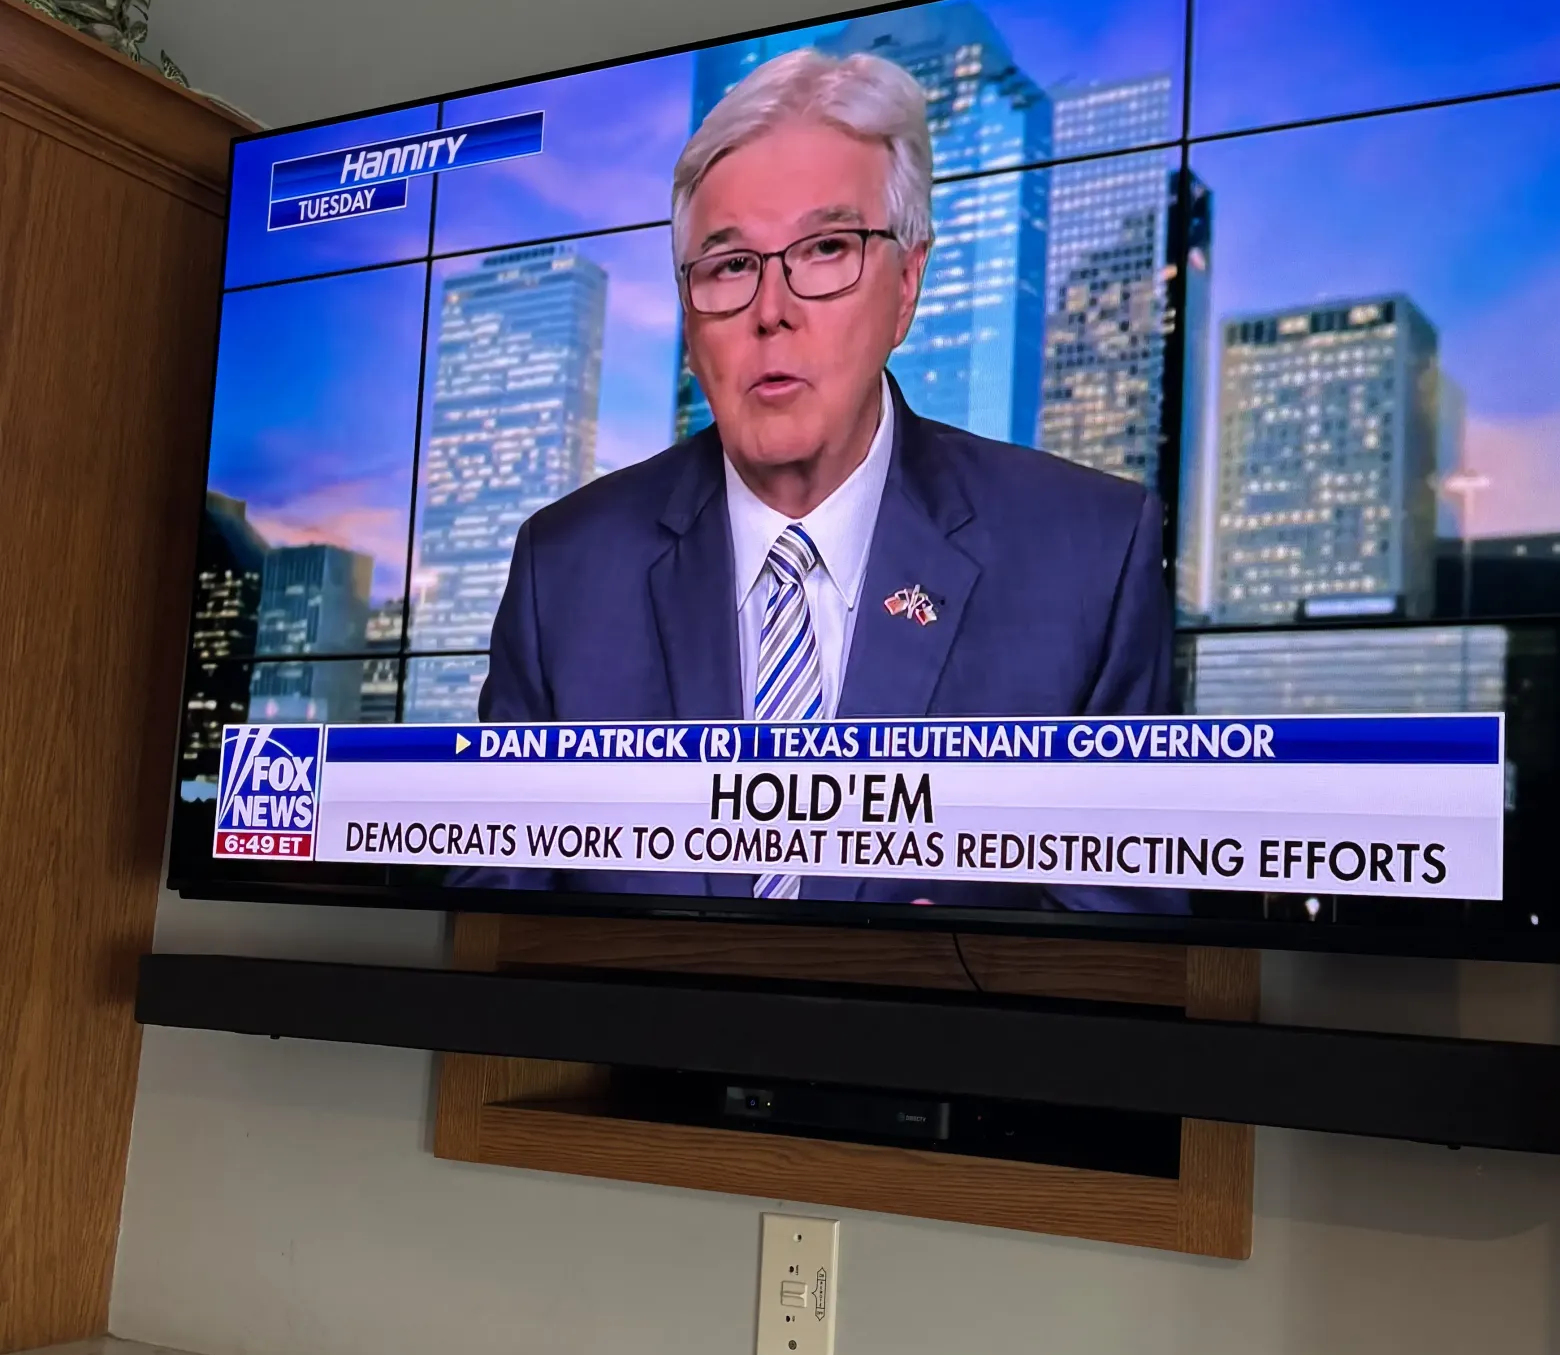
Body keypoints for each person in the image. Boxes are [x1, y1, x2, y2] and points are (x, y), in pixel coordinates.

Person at [478, 46, 1175, 903]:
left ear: (907, 285)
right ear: (690, 317)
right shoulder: (566, 569)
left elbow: (1122, 971)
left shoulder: (1089, 558)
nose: (773, 311)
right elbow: (497, 950)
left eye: (826, 250)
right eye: (731, 266)